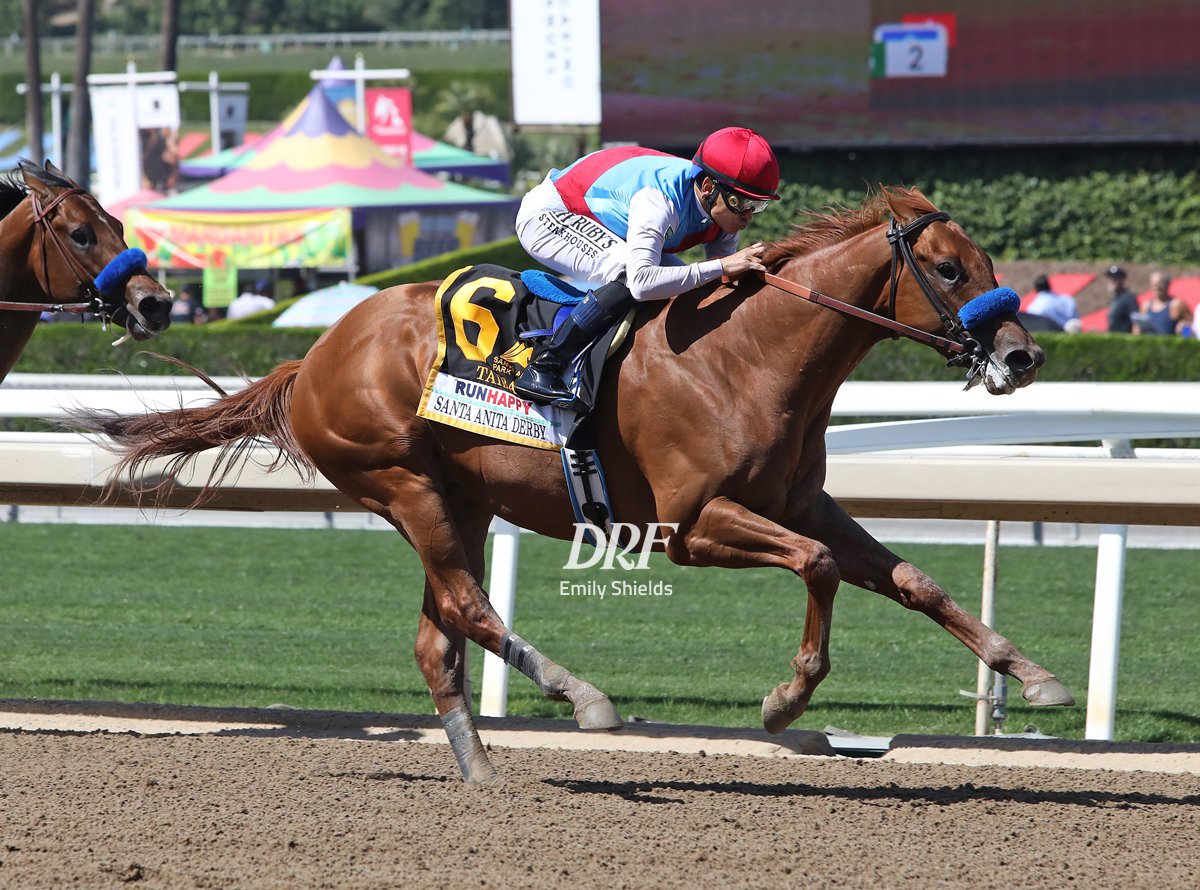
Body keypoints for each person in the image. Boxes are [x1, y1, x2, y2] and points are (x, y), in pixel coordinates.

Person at [512, 126, 780, 409]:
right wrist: (722, 265)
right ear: (708, 188)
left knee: (683, 283)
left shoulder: (724, 212)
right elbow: (641, 283)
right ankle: (545, 366)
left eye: (757, 205)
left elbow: (721, 282)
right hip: (553, 213)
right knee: (629, 274)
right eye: (741, 203)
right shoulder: (660, 201)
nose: (747, 216)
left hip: (608, 225)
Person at [1132, 271, 1189, 335]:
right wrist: (1137, 331)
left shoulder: (1177, 304)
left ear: (1167, 285)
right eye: (1153, 284)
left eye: (1160, 283)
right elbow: (1135, 330)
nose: (1156, 287)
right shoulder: (1145, 306)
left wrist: (1184, 330)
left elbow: (1190, 327)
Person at [1104, 265, 1139, 334]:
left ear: (1123, 279)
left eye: (1116, 278)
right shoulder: (1114, 298)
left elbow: (1136, 322)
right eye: (1110, 278)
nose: (1112, 280)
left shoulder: (1129, 298)